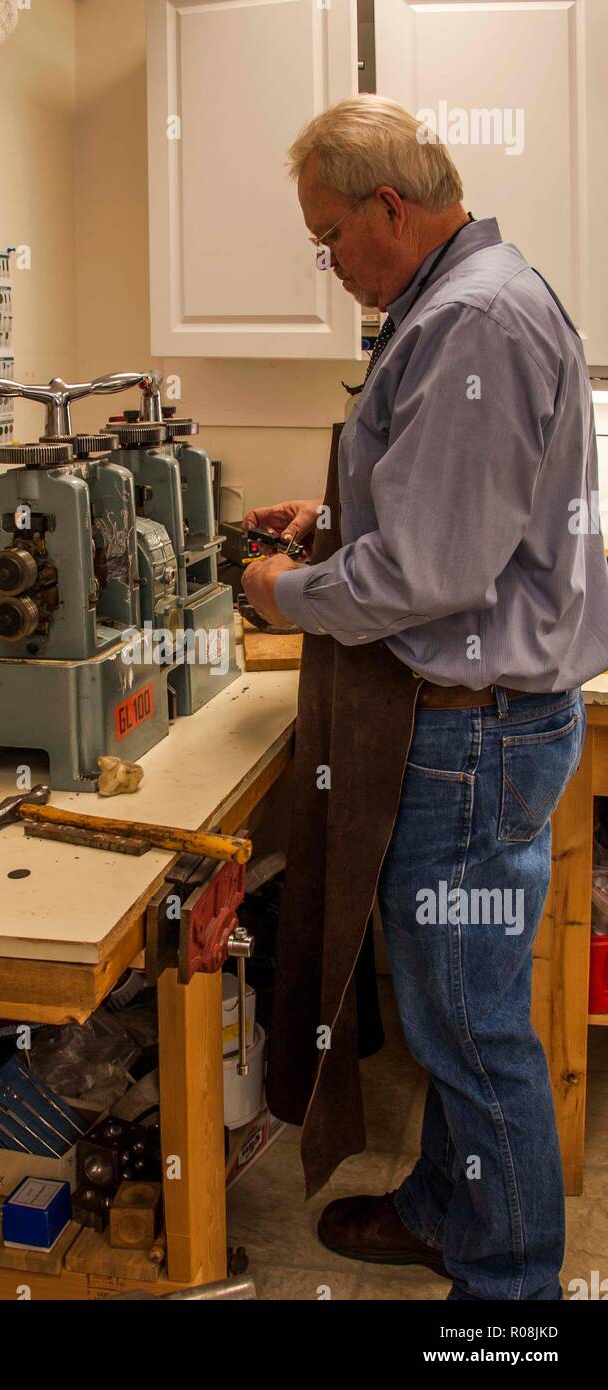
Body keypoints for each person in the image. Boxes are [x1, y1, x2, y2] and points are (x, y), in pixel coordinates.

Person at [242, 95, 608, 1301]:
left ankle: (508, 1292)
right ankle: (451, 1207)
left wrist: (283, 590)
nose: (329, 259)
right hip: (476, 729)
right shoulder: (461, 299)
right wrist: (332, 519)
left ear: (390, 208)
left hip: (471, 734)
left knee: (468, 1024)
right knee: (460, 1006)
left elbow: (431, 574)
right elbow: (439, 518)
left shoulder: (472, 321)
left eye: (330, 233)